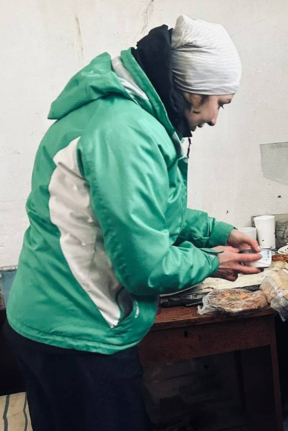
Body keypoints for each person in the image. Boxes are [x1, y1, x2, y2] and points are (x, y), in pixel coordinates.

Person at [3, 15, 260, 431]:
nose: (215, 119)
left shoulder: (117, 111)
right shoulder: (126, 131)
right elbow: (146, 267)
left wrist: (215, 230)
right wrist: (213, 261)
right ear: (194, 92)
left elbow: (143, 211)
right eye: (220, 103)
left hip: (48, 318)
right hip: (78, 332)